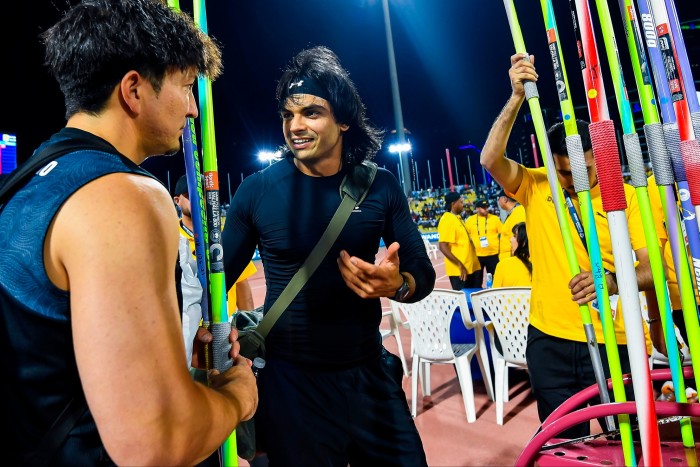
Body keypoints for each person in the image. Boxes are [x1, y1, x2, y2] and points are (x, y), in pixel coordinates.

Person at [0, 1, 257, 464]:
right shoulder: (125, 195)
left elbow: (55, 369)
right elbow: (153, 443)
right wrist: (236, 397)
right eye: (184, 87)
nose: (194, 109)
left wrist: (171, 371)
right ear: (134, 90)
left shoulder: (23, 184)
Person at [221, 45, 435, 466]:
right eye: (288, 114)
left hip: (369, 375)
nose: (295, 126)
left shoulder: (380, 186)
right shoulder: (257, 192)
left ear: (344, 119)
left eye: (311, 113)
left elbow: (420, 271)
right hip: (291, 386)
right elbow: (213, 287)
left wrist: (399, 285)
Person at [480, 53, 653, 438]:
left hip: (616, 342)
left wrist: (609, 280)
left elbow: (650, 269)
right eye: (564, 173)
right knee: (562, 445)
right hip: (550, 341)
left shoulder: (624, 197)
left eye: (585, 171)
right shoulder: (538, 184)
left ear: (601, 159)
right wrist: (516, 98)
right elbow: (490, 158)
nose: (574, 181)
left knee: (623, 441)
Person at [173, 174, 258, 367]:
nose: (199, 199)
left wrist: (249, 328)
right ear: (177, 200)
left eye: (203, 194)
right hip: (189, 337)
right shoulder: (170, 239)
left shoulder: (224, 235)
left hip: (226, 333)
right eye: (190, 194)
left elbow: (242, 284)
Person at [437, 191, 481, 290]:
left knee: (475, 299)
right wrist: (459, 264)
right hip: (460, 271)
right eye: (461, 202)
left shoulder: (457, 218)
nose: (463, 204)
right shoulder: (447, 220)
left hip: (471, 267)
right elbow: (443, 246)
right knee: (465, 301)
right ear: (453, 204)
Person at [464, 198, 502, 279]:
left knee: (495, 279)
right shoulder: (470, 220)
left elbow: (502, 234)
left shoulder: (495, 219)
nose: (486, 209)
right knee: (476, 281)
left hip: (493, 255)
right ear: (477, 208)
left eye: (487, 207)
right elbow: (466, 236)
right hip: (477, 256)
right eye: (483, 208)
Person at [492, 222, 532, 288]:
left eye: (514, 236)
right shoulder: (542, 265)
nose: (510, 240)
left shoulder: (504, 265)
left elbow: (494, 294)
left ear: (524, 242)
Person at [497, 189, 526, 260]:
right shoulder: (515, 213)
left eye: (498, 199)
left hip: (516, 260)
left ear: (504, 199)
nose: (498, 202)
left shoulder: (519, 212)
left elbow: (520, 240)